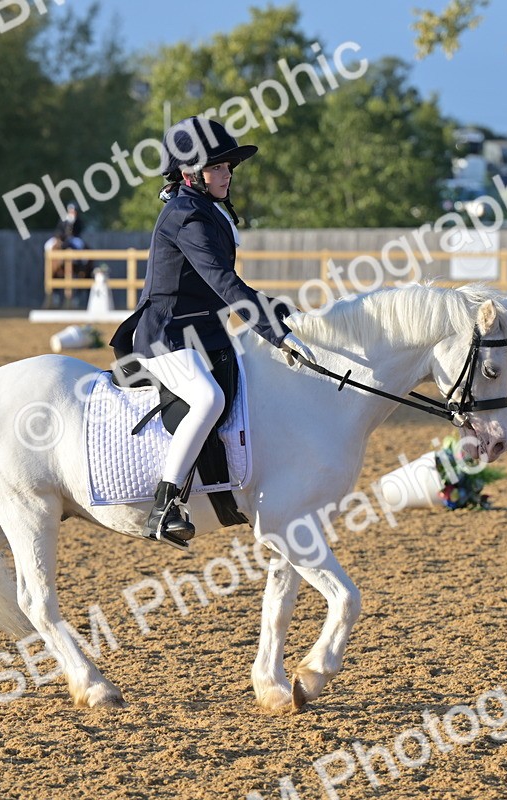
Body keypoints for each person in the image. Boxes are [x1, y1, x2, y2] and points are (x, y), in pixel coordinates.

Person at [109, 116, 315, 547]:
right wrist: (276, 333)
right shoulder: (186, 216)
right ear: (190, 174)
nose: (227, 174)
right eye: (216, 167)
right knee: (208, 398)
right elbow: (224, 282)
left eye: (228, 167)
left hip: (204, 333)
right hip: (166, 337)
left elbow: (224, 287)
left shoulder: (206, 210)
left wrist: (279, 312)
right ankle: (166, 505)